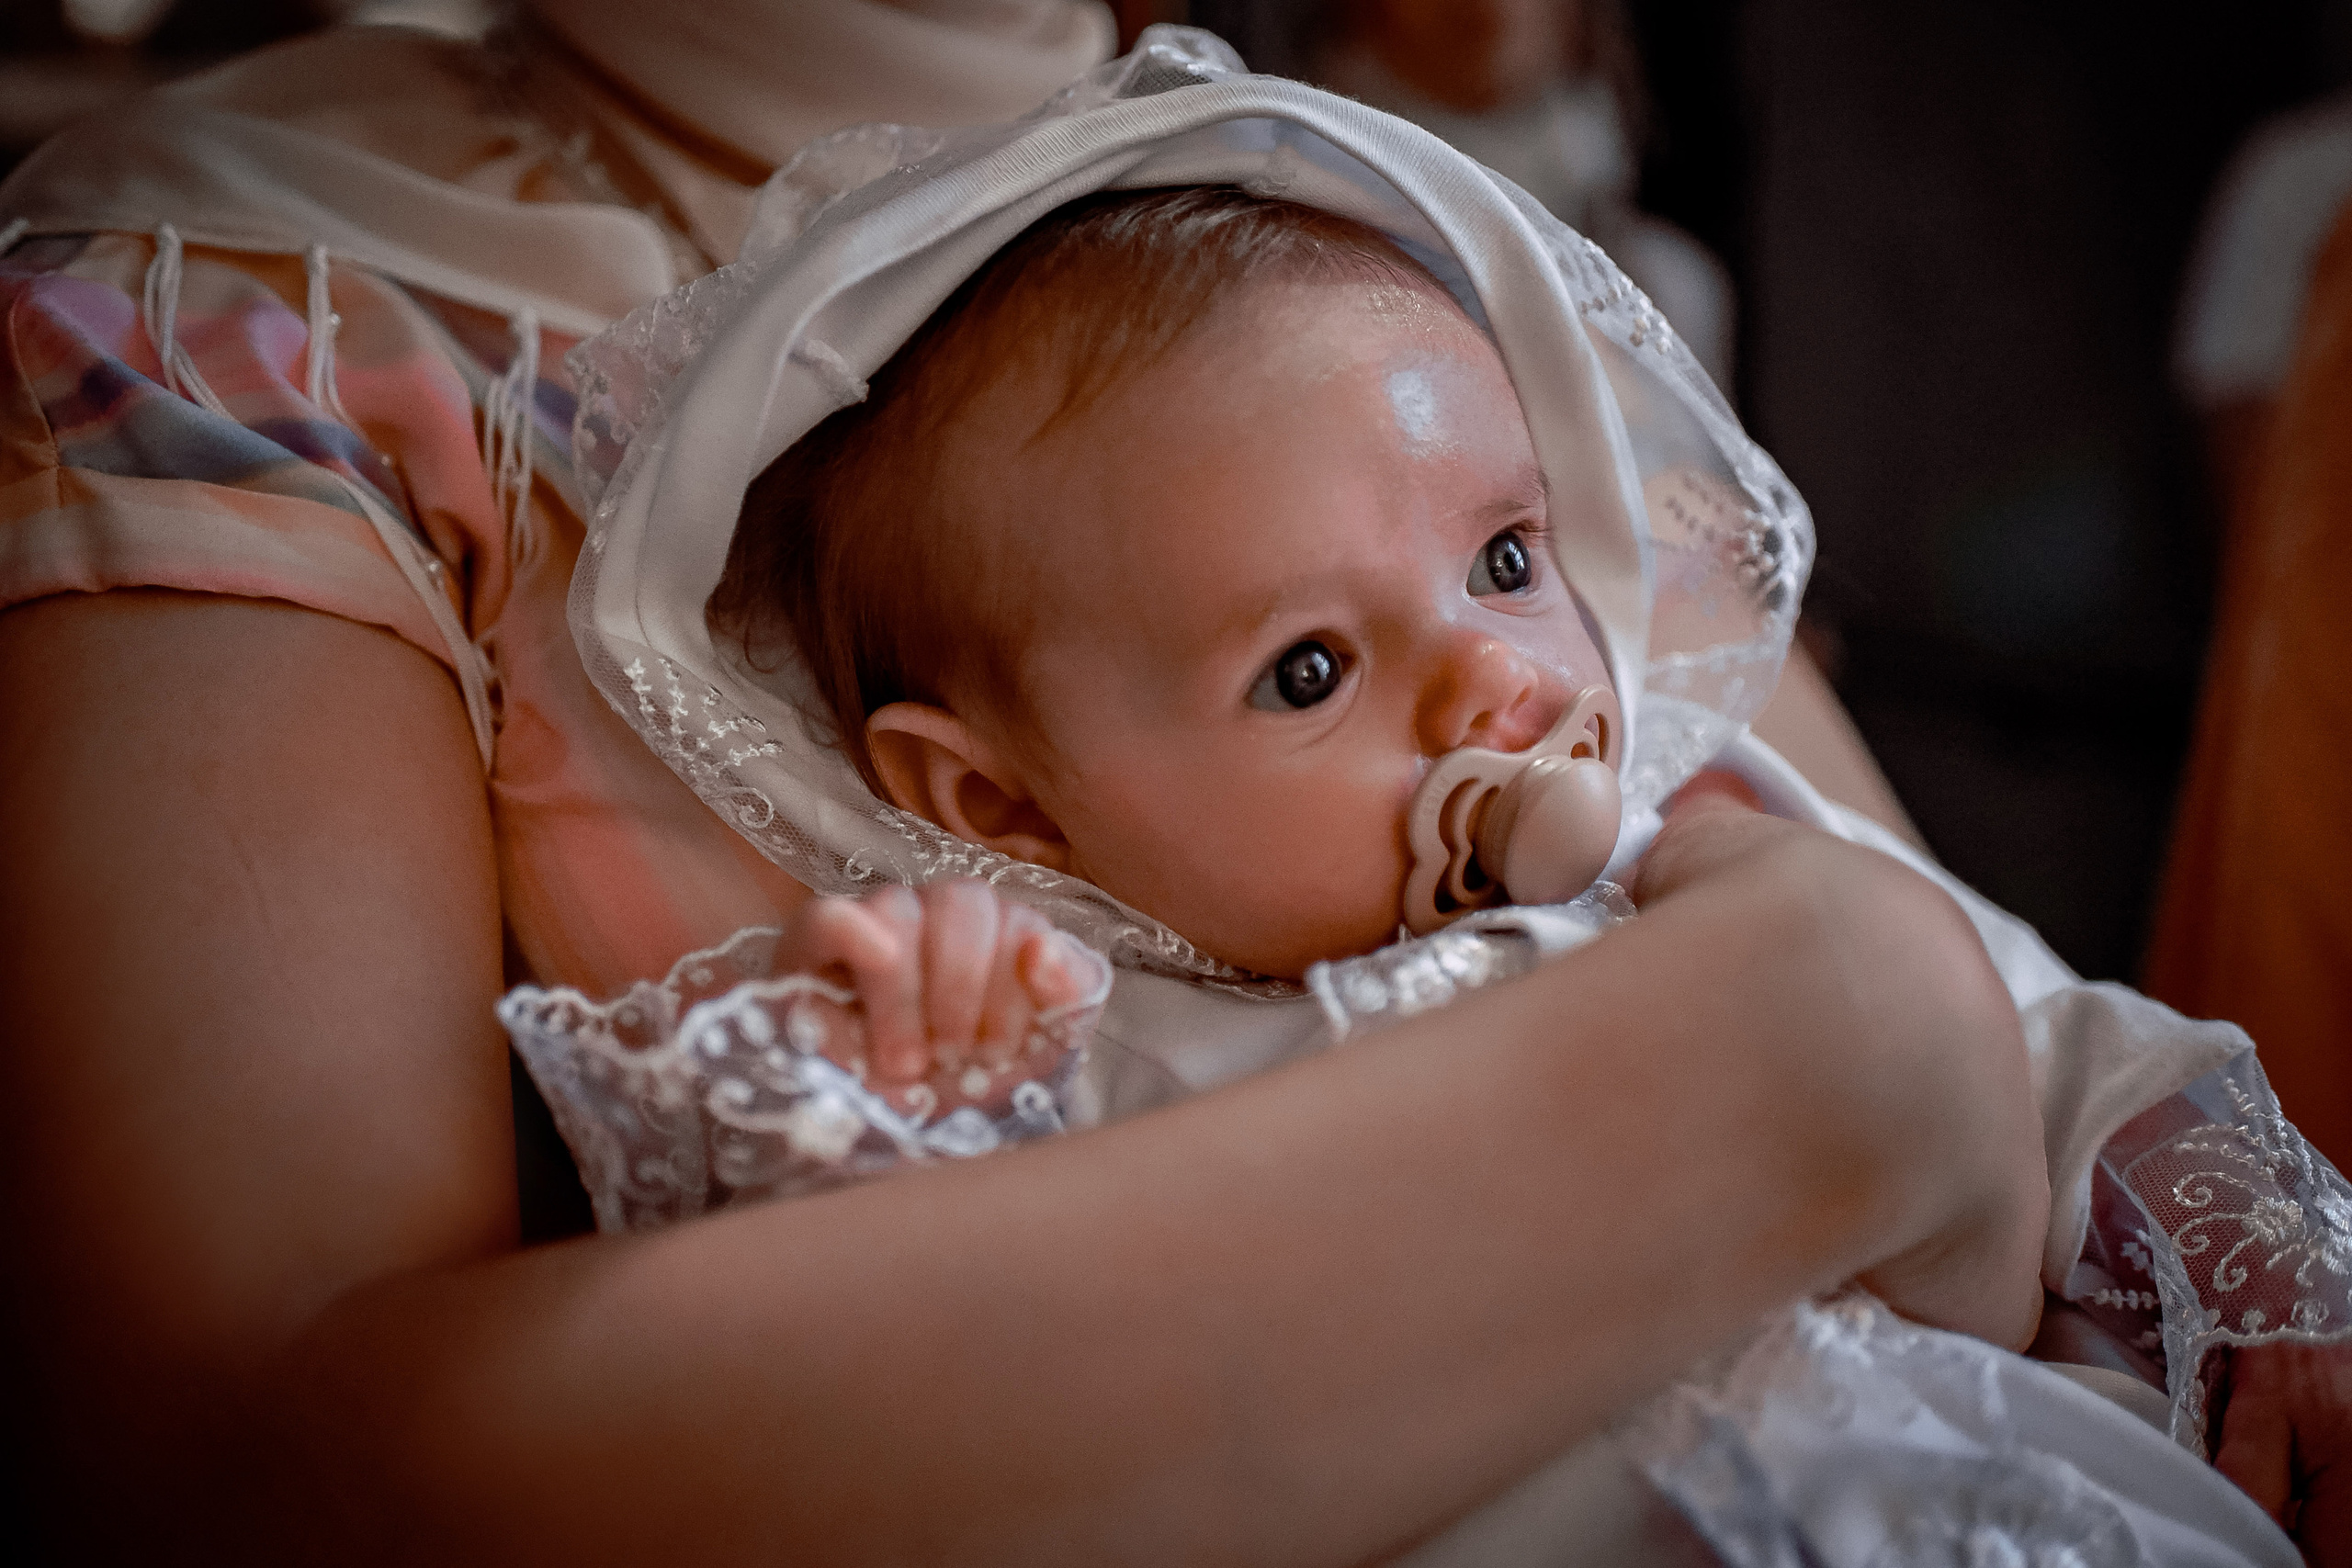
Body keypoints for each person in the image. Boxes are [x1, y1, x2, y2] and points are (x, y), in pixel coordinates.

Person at [0, 11, 2221, 1563]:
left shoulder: (1366, 272)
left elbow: (2001, 1016)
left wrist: (2173, 1177)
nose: (1490, 678)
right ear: (996, 807)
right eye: (1307, 666)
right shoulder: (235, 309)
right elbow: (255, 1486)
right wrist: (1797, 1053)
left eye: (1519, 558)